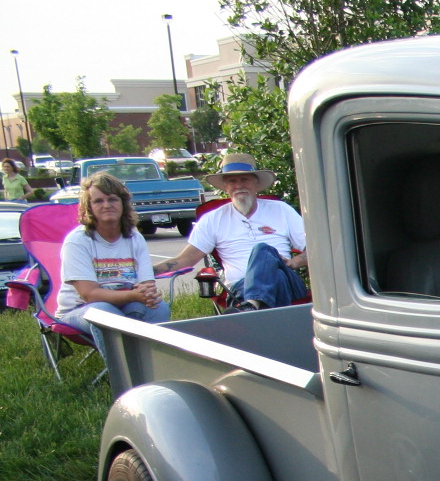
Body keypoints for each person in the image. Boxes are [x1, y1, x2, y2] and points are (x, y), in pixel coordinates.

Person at [155, 152, 307, 310]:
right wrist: (146, 273)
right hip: (240, 288)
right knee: (273, 278)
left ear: (256, 183)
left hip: (287, 282)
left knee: (263, 250)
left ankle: (250, 307)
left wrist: (294, 262)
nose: (238, 185)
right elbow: (185, 259)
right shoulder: (213, 218)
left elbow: (315, 251)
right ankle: (255, 307)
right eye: (232, 181)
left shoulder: (281, 210)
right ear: (225, 187)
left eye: (244, 179)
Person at [56, 172, 168, 359]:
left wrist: (147, 294)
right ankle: (122, 375)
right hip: (78, 311)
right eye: (98, 201)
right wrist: (134, 295)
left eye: (112, 199)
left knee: (159, 307)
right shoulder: (78, 241)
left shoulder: (134, 237)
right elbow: (89, 294)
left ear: (123, 204)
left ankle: (150, 365)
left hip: (124, 305)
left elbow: (146, 284)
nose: (106, 205)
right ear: (89, 207)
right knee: (104, 313)